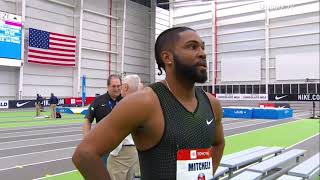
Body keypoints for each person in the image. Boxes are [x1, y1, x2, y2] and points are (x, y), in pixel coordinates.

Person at [73, 27, 225, 180]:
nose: (202, 53)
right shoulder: (144, 103)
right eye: (192, 46)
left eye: (202, 47)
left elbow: (219, 144)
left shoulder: (212, 104)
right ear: (167, 57)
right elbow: (84, 154)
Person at [83, 74, 122, 167]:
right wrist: (86, 139)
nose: (116, 89)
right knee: (104, 172)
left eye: (118, 86)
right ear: (108, 86)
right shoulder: (98, 101)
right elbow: (87, 120)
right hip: (103, 145)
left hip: (122, 146)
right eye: (113, 86)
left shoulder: (126, 99)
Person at [107, 74, 141, 180]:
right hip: (134, 151)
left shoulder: (124, 105)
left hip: (122, 153)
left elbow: (118, 133)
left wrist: (113, 152)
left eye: (121, 85)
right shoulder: (142, 104)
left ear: (125, 87)